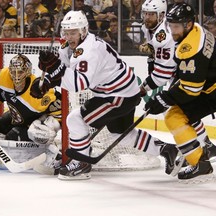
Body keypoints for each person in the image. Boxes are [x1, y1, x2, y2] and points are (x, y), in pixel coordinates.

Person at [30, 10, 179, 180]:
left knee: (75, 119)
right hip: (122, 91)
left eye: (73, 33)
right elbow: (63, 68)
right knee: (122, 135)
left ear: (83, 31)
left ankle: (82, 163)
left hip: (118, 95)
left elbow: (79, 84)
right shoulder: (69, 45)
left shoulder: (89, 50)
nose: (69, 37)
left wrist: (55, 70)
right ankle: (167, 149)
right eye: (66, 32)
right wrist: (45, 82)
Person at [140, 0, 216, 171]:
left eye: (176, 27)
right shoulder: (194, 30)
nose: (172, 31)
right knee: (182, 111)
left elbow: (190, 88)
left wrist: (162, 98)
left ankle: (200, 161)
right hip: (207, 83)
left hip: (209, 89)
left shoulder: (191, 48)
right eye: (170, 25)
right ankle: (204, 148)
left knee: (175, 115)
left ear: (188, 24)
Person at [0, 54, 62, 174]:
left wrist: (49, 127)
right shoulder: (3, 77)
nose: (16, 76)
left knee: (13, 136)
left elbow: (61, 109)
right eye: (13, 72)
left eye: (20, 72)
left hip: (30, 126)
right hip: (16, 117)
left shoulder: (39, 91)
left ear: (28, 72)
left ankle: (52, 150)